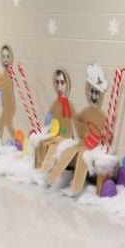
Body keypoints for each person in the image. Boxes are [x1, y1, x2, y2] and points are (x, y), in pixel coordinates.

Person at [46, 63, 109, 194]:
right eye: (92, 92)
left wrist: (104, 136)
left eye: (97, 93)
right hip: (82, 142)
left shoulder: (102, 116)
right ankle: (52, 178)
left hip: (92, 146)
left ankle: (76, 187)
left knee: (82, 156)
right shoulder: (86, 111)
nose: (94, 96)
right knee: (69, 151)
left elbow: (105, 134)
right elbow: (76, 120)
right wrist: (77, 123)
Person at [0, 44, 16, 142]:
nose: (5, 59)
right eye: (3, 56)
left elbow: (1, 85)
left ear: (11, 58)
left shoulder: (9, 73)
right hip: (6, 106)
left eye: (8, 56)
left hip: (9, 106)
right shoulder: (5, 72)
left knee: (5, 124)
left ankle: (18, 142)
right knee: (5, 124)